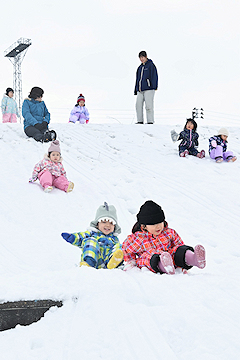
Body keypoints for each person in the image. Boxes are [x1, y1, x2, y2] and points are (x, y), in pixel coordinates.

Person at [122, 200, 206, 274]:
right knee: (148, 256)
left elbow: (179, 245)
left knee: (178, 251)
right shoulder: (138, 238)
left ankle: (194, 259)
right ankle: (164, 266)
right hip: (151, 260)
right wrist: (131, 262)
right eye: (154, 224)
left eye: (160, 223)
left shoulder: (168, 232)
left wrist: (182, 253)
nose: (158, 227)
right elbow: (126, 248)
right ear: (144, 226)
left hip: (169, 256)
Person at [61, 202, 123, 269]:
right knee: (91, 241)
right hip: (96, 261)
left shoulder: (115, 239)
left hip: (108, 263)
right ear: (97, 224)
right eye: (104, 222)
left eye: (111, 223)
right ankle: (88, 262)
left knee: (120, 246)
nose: (108, 225)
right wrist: (72, 237)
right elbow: (81, 237)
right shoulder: (92, 233)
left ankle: (115, 262)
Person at [134, 50, 158, 124]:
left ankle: (150, 121)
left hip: (149, 89)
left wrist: (153, 86)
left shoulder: (151, 65)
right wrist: (136, 89)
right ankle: (140, 121)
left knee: (149, 106)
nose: (141, 59)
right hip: (140, 90)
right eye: (140, 58)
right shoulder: (139, 68)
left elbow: (154, 76)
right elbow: (137, 79)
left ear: (146, 57)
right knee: (138, 105)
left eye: (142, 57)